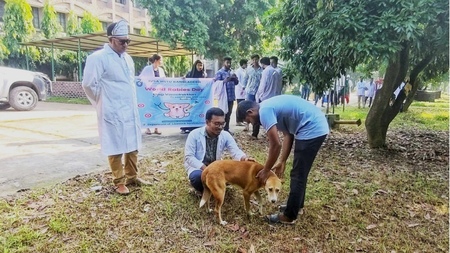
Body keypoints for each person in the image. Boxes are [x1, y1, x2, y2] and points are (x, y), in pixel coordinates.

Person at [82, 20, 150, 195]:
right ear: (111, 39)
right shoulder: (97, 58)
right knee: (115, 145)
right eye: (122, 42)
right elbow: (89, 84)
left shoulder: (128, 58)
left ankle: (132, 176)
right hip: (111, 109)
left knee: (132, 144)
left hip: (129, 109)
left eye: (128, 41)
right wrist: (103, 101)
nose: (126, 45)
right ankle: (119, 182)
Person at [237, 95, 329, 224]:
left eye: (249, 121)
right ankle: (296, 206)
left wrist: (266, 170)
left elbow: (276, 144)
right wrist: (282, 161)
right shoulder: (269, 108)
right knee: (300, 173)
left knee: (298, 174)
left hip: (312, 128)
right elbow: (288, 135)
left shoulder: (265, 111)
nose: (252, 124)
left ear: (250, 112)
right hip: (314, 125)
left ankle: (289, 216)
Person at [184, 107, 254, 194]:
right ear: (207, 122)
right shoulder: (194, 134)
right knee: (197, 178)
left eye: (222, 124)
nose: (220, 127)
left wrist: (244, 158)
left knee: (237, 172)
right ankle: (211, 188)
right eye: (217, 124)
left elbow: (235, 151)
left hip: (216, 168)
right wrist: (205, 169)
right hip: (199, 168)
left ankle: (217, 186)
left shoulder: (225, 135)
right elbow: (189, 157)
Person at [140, 54, 166, 135]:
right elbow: (141, 78)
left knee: (157, 109)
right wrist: (150, 84)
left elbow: (164, 80)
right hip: (149, 93)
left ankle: (156, 128)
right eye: (160, 60)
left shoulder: (161, 70)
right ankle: (147, 128)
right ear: (156, 61)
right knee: (148, 109)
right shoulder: (147, 69)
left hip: (158, 93)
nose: (161, 62)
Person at [181, 60, 207, 134]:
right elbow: (185, 83)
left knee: (197, 111)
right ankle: (186, 127)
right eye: (198, 65)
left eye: (201, 65)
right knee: (189, 110)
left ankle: (196, 127)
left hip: (199, 97)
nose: (200, 67)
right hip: (191, 96)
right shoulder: (189, 74)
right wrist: (183, 79)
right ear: (195, 66)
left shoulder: (204, 75)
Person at [213, 56, 239, 134]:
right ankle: (220, 129)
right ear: (224, 62)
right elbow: (216, 84)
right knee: (222, 114)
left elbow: (237, 83)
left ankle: (226, 129)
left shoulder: (231, 72)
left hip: (231, 96)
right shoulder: (219, 72)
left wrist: (235, 78)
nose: (229, 64)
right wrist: (226, 80)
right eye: (227, 62)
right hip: (223, 96)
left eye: (230, 63)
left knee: (229, 114)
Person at [245, 54, 263, 139]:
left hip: (258, 93)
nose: (255, 61)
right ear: (251, 60)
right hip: (250, 92)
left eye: (256, 59)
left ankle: (255, 132)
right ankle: (247, 126)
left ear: (259, 60)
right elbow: (245, 79)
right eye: (253, 59)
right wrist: (245, 88)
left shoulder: (262, 70)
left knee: (257, 113)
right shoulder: (248, 69)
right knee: (248, 111)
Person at [234, 59, 248, 127]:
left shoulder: (244, 70)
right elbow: (238, 81)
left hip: (243, 90)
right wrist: (242, 86)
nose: (247, 65)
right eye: (246, 64)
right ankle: (238, 121)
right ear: (242, 64)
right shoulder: (238, 71)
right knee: (239, 105)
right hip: (239, 90)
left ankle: (241, 120)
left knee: (242, 106)